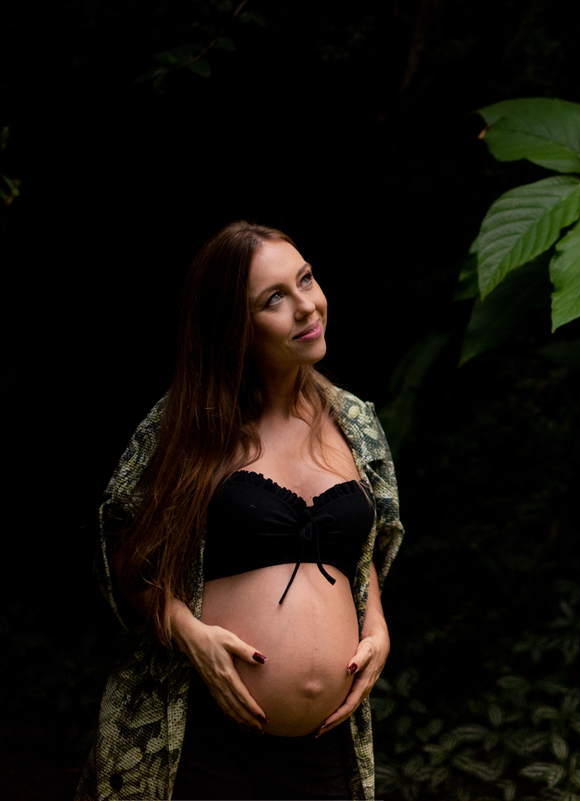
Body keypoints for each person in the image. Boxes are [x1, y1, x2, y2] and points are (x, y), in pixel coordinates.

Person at [75, 221, 405, 800]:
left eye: (306, 279)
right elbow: (124, 552)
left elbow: (365, 548)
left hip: (321, 750)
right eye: (274, 299)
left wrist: (376, 626)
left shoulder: (355, 423)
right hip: (204, 738)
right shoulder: (187, 425)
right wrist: (190, 635)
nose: (307, 307)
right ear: (235, 327)